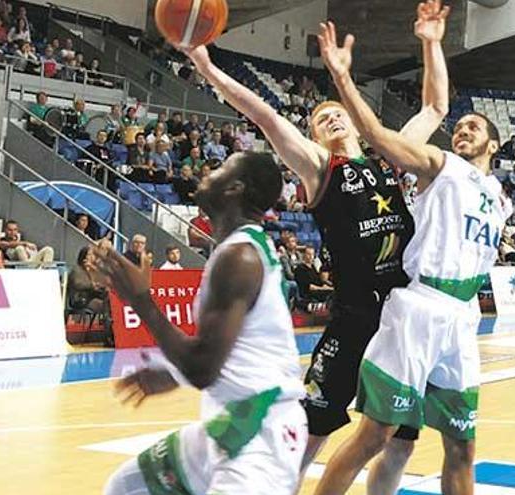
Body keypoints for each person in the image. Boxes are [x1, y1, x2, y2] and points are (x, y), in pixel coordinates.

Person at [183, 2, 451, 491]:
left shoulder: (388, 160)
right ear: (313, 137)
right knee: (310, 435)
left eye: (336, 113)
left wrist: (431, 43)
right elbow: (263, 115)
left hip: (404, 319)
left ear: (352, 120)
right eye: (319, 118)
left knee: (399, 441)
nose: (330, 119)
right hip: (353, 317)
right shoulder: (319, 168)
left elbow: (435, 109)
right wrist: (207, 68)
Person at [312, 14, 510, 495]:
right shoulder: (440, 167)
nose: (461, 130)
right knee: (373, 435)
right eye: (459, 127)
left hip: (462, 317)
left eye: (473, 127)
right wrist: (342, 77)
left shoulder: (500, 197)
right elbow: (381, 132)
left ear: (495, 144)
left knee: (462, 444)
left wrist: (433, 42)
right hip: (419, 306)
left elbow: (440, 103)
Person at [99, 151, 307, 495]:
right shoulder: (242, 249)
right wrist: (173, 373)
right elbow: (235, 346)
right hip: (229, 424)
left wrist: (141, 301)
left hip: (261, 436)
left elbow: (202, 369)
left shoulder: (239, 258)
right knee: (127, 487)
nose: (209, 173)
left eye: (221, 168)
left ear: (234, 188)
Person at [67, 246, 107, 314]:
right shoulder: (77, 270)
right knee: (103, 306)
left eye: (93, 254)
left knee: (108, 303)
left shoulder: (93, 270)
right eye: (90, 254)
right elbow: (78, 284)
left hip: (92, 296)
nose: (92, 256)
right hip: (81, 299)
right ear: (84, 256)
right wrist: (92, 285)